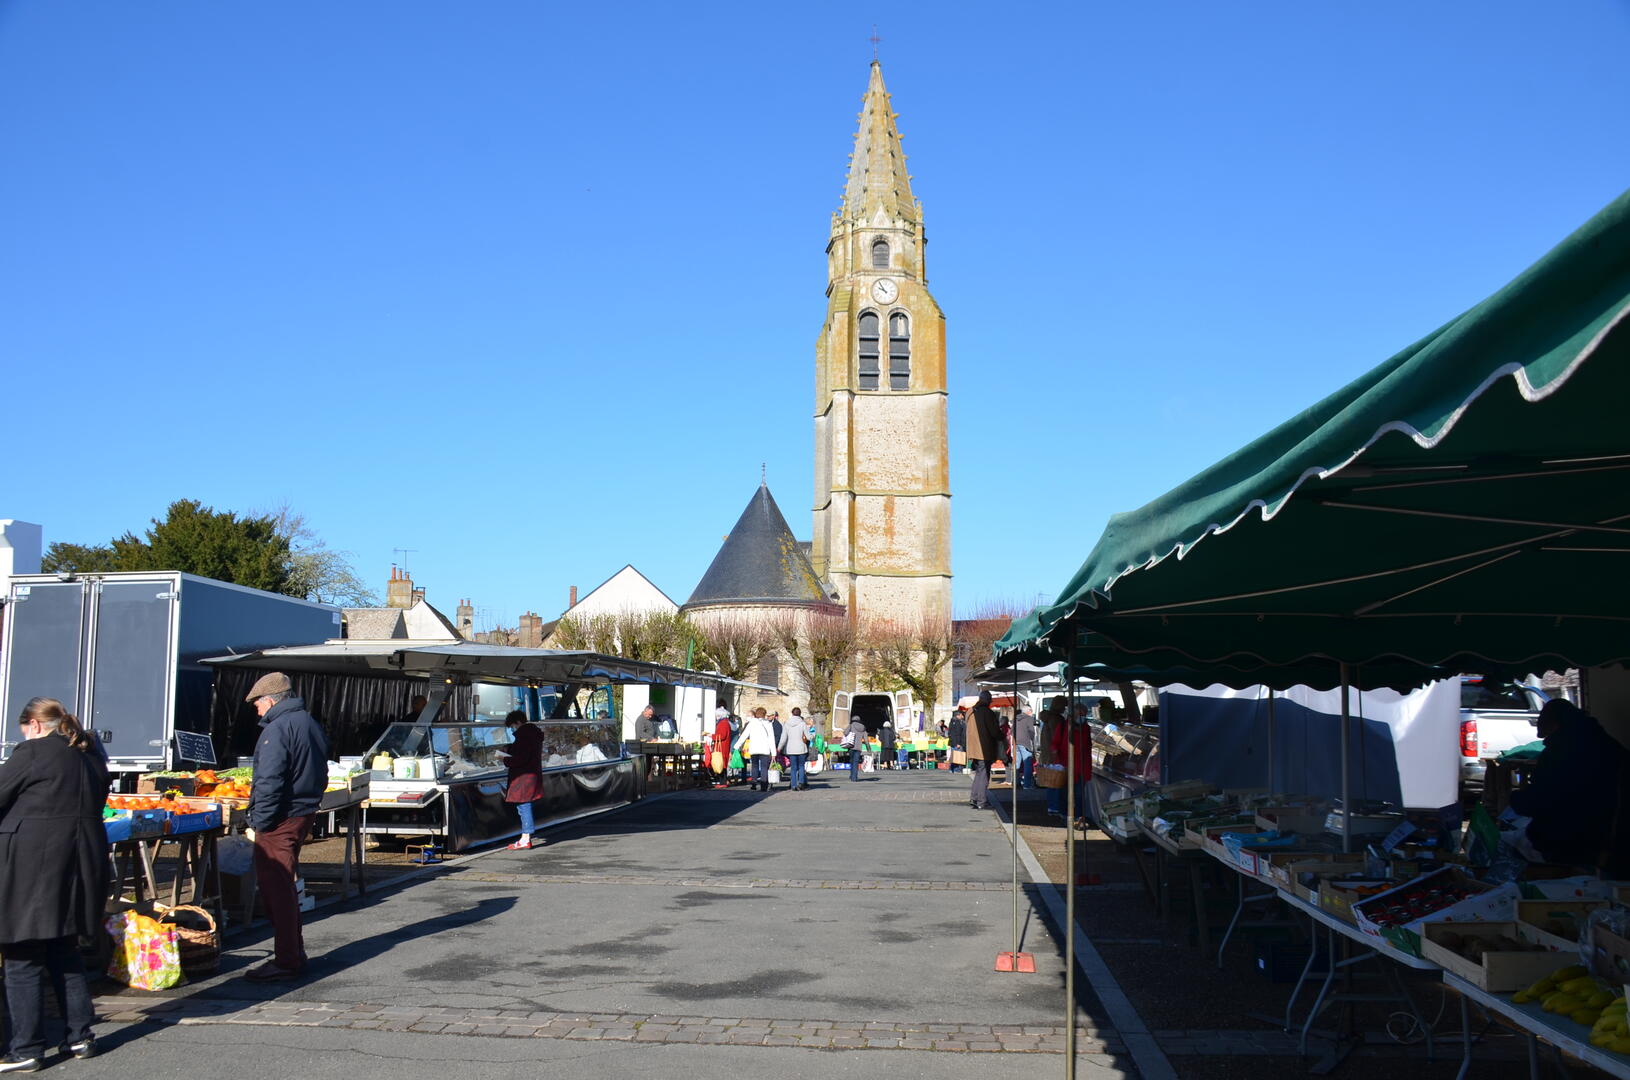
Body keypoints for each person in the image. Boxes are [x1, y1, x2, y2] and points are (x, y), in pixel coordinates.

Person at [0, 698, 110, 1069]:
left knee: (22, 954)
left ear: (33, 724)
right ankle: (79, 1037)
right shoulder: (90, 755)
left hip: (37, 865)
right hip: (80, 864)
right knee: (64, 948)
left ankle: (26, 1048)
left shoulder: (33, 753)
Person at [243, 672, 329, 981]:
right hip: (302, 811)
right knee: (284, 886)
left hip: (281, 818)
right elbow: (322, 772)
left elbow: (269, 781)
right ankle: (293, 953)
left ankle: (287, 959)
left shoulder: (277, 729)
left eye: (257, 704)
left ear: (269, 700)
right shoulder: (309, 723)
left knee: (277, 888)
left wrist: (259, 821)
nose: (256, 710)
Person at [1508, 699, 1625, 866]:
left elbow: (1542, 797)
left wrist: (1515, 799)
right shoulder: (1606, 743)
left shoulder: (1560, 751)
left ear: (1554, 725)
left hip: (1569, 840)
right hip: (1610, 836)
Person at [498, 710, 544, 850]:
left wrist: (504, 759)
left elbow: (521, 758)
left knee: (524, 805)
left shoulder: (524, 735)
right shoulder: (533, 733)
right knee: (523, 805)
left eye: (513, 726)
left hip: (523, 777)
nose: (513, 729)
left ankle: (526, 837)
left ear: (518, 722)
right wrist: (510, 748)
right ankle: (525, 836)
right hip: (531, 775)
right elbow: (524, 752)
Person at [1048, 702, 1094, 825]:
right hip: (1066, 766)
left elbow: (1088, 746)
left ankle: (1079, 816)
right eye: (1080, 714)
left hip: (1082, 767)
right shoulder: (1063, 726)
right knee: (1065, 793)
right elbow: (1055, 743)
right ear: (1073, 714)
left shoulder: (1086, 728)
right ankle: (1065, 815)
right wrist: (1055, 754)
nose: (1082, 716)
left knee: (1079, 794)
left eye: (1084, 714)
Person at [966, 690, 1006, 810]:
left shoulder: (970, 711)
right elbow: (994, 731)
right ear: (988, 700)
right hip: (984, 747)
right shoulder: (986, 712)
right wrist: (1002, 736)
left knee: (979, 773)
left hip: (973, 747)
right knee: (984, 774)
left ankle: (974, 797)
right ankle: (981, 801)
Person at [741, 707, 781, 792]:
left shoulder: (751, 723)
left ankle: (754, 784)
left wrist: (737, 747)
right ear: (764, 714)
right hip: (765, 749)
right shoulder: (768, 724)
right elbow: (771, 739)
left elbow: (744, 735)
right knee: (764, 768)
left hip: (754, 749)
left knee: (754, 766)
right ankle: (764, 785)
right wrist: (773, 753)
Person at [784, 707, 812, 791]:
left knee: (793, 768)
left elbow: (783, 737)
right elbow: (808, 737)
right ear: (800, 714)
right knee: (801, 766)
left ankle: (793, 785)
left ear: (792, 714)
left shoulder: (786, 724)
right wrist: (813, 735)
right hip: (801, 748)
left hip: (791, 748)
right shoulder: (802, 724)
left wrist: (779, 748)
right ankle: (801, 783)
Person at [1014, 705, 1038, 789]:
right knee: (1027, 763)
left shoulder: (1016, 718)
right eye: (1031, 711)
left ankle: (1016, 783)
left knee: (1017, 764)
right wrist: (1033, 741)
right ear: (1028, 711)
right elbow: (1031, 731)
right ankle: (1027, 785)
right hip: (1025, 742)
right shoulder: (1029, 718)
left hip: (1016, 742)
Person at [846, 715, 869, 781]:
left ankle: (852, 775)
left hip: (851, 746)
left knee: (851, 761)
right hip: (859, 747)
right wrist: (868, 749)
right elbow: (866, 739)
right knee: (856, 762)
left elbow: (845, 733)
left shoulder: (851, 725)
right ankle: (854, 777)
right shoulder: (863, 727)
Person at [948, 707, 967, 773]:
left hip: (953, 742)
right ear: (958, 715)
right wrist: (958, 743)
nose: (962, 716)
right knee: (957, 756)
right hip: (957, 742)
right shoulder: (958, 722)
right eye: (961, 715)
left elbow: (950, 733)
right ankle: (956, 769)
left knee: (954, 755)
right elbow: (958, 733)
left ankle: (951, 769)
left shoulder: (952, 722)